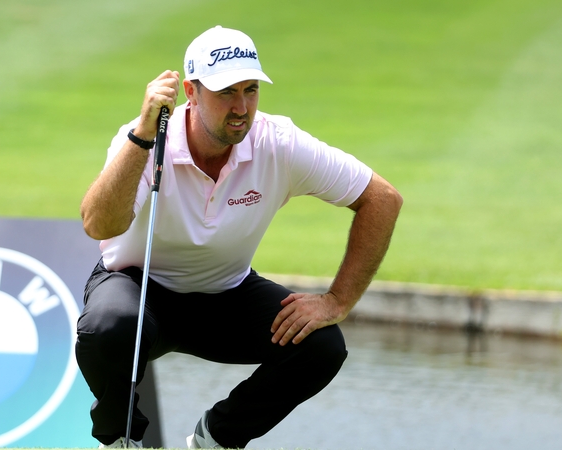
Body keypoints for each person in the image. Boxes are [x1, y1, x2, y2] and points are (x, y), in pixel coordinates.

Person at [77, 25, 402, 449]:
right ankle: (122, 440)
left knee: (322, 345)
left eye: (251, 90)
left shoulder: (277, 142)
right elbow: (98, 226)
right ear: (190, 92)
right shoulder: (143, 139)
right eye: (226, 92)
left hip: (226, 295)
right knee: (107, 327)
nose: (241, 107)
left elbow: (382, 199)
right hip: (138, 287)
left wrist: (337, 301)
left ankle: (213, 440)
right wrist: (141, 136)